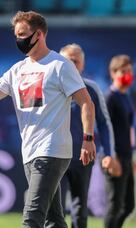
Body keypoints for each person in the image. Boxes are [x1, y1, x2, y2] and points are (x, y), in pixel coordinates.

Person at [0, 11, 96, 228]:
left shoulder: (60, 65)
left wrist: (88, 138)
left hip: (52, 149)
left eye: (23, 34)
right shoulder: (18, 69)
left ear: (38, 34)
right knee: (53, 219)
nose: (18, 40)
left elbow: (86, 102)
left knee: (32, 217)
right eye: (16, 36)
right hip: (30, 151)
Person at [59, 43, 121, 228]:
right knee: (54, 207)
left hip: (82, 156)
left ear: (82, 65)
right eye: (68, 60)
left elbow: (104, 122)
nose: (71, 64)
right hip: (55, 154)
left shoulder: (91, 89)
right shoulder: (51, 86)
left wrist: (108, 153)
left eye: (75, 61)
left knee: (79, 205)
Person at [104, 54, 135, 228]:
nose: (127, 74)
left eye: (129, 71)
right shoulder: (110, 97)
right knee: (114, 205)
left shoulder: (126, 96)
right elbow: (104, 128)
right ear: (113, 73)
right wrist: (111, 156)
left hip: (126, 156)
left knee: (129, 205)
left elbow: (128, 128)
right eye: (123, 71)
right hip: (115, 157)